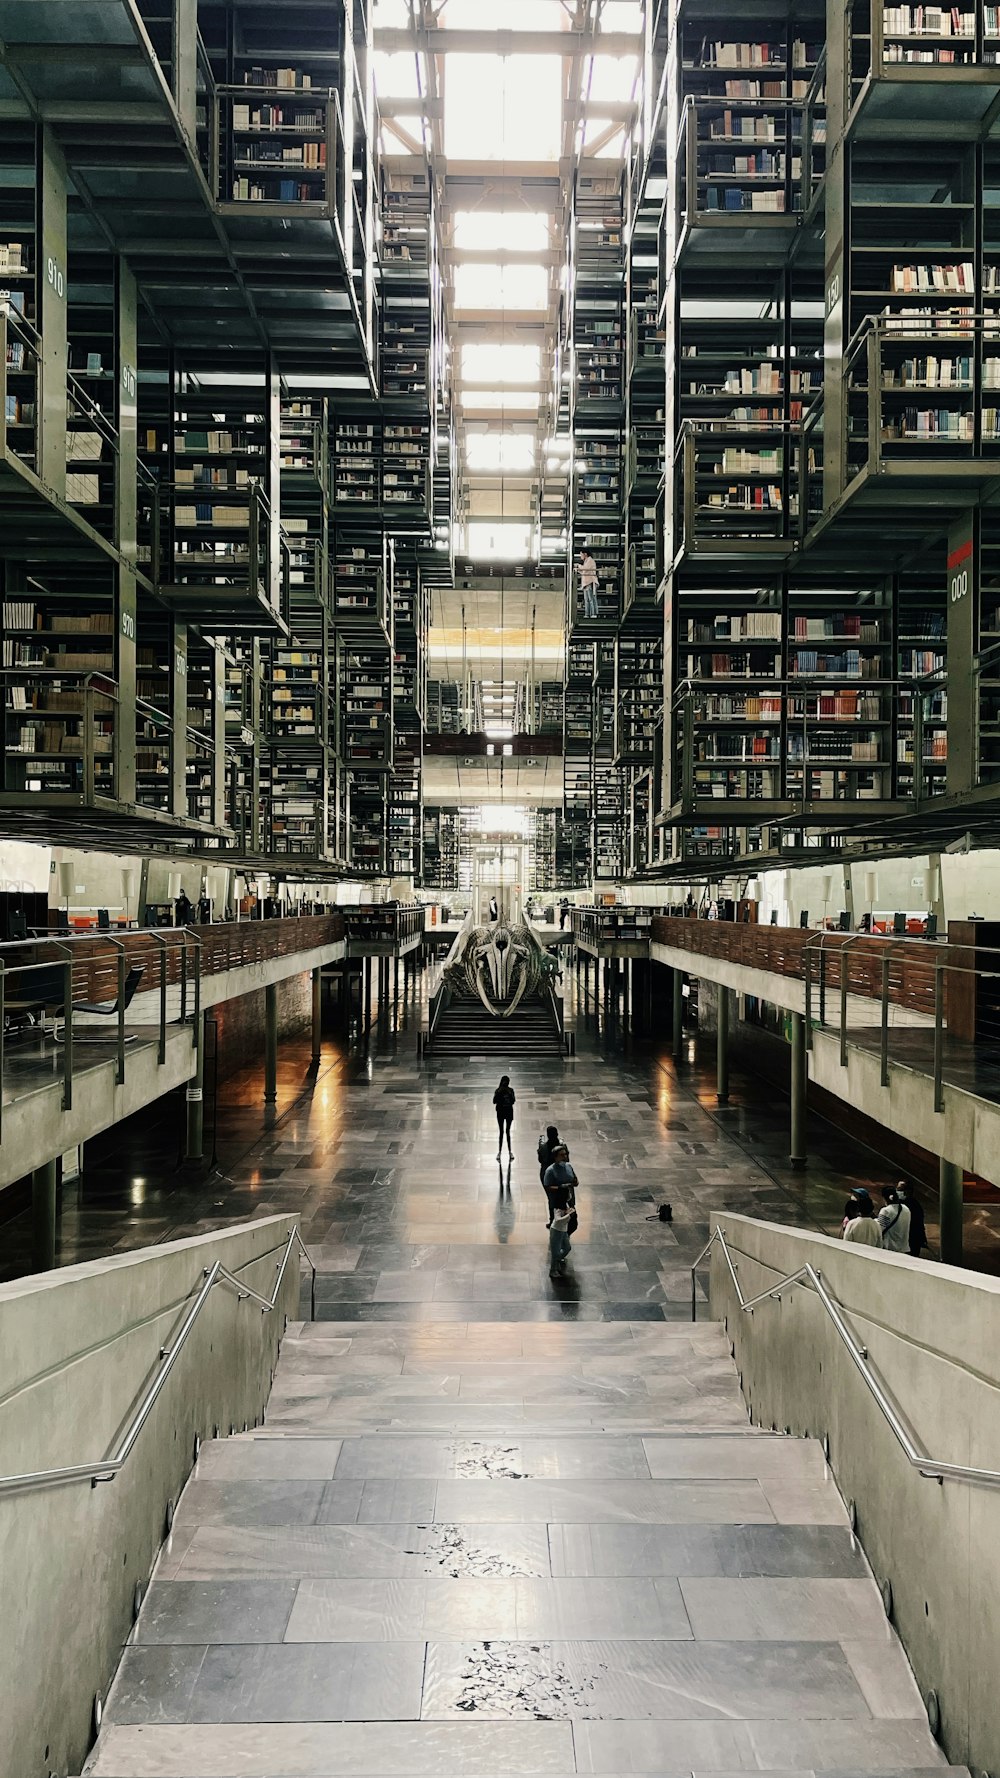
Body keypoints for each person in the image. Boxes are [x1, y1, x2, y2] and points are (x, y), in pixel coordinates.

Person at [543, 1144, 578, 1277]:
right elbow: (548, 1186)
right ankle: (554, 1266)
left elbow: (575, 1180)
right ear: (556, 1156)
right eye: (562, 1154)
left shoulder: (568, 1167)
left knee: (573, 1226)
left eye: (566, 1154)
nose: (565, 1156)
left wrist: (573, 1183)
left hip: (568, 1201)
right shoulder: (550, 1170)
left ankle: (564, 1241)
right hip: (560, 1201)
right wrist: (562, 1188)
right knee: (557, 1249)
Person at [537, 1125, 562, 1223]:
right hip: (559, 1173)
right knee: (561, 1196)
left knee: (550, 1197)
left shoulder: (543, 1147)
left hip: (546, 1174)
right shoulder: (561, 1147)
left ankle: (552, 1219)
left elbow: (540, 1160)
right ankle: (559, 1217)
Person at [877, 1184, 911, 1255]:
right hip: (904, 1249)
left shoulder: (886, 1211)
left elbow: (879, 1230)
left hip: (890, 1250)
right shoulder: (906, 1209)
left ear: (884, 1198)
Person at [897, 1179, 927, 1257]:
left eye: (900, 1189)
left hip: (912, 1240)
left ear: (908, 1191)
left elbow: (918, 1224)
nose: (897, 1191)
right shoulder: (900, 1203)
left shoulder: (914, 1206)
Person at [493, 1074, 515, 1161]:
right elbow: (494, 1101)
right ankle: (499, 1151)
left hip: (508, 1112)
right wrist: (499, 1093)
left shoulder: (511, 1090)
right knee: (501, 1132)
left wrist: (509, 1094)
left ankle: (509, 1151)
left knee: (507, 1132)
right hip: (501, 1112)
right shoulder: (498, 1091)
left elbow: (513, 1101)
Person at [578, 547, 600, 619]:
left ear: (585, 554)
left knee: (591, 599)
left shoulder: (590, 560)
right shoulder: (586, 561)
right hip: (586, 583)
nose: (580, 556)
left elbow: (585, 568)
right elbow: (584, 571)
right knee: (586, 600)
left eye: (581, 554)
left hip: (590, 582)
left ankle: (593, 613)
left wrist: (578, 566)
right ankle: (587, 614)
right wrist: (578, 569)